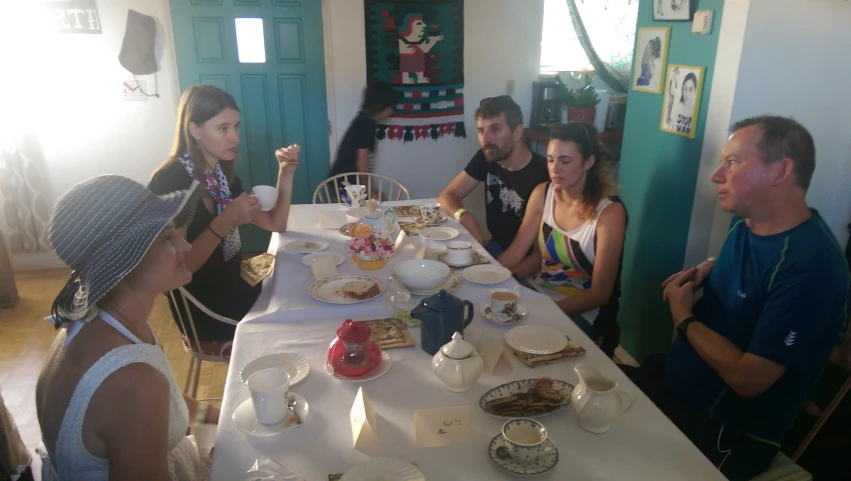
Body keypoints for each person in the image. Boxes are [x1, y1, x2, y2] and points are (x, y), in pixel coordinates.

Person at [621, 116, 849, 480]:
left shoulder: (813, 266)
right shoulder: (745, 224)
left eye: (732, 162)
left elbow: (749, 380)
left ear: (781, 171)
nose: (716, 175)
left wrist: (683, 315)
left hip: (724, 432)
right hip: (672, 385)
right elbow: (751, 283)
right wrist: (710, 267)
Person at [36, 175, 211, 480]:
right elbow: (141, 399)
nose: (185, 246)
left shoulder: (97, 324)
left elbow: (171, 405)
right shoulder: (133, 380)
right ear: (125, 260)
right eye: (166, 237)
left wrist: (224, 417)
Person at [149, 85, 299, 356]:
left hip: (233, 283)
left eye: (236, 127)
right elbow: (174, 270)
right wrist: (223, 223)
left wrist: (285, 174)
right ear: (194, 130)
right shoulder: (171, 182)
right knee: (296, 318)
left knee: (300, 282)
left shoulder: (218, 176)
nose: (235, 137)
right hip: (206, 308)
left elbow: (275, 225)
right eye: (223, 128)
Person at [496, 123, 627, 357]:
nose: (555, 169)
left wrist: (546, 312)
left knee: (524, 350)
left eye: (565, 161)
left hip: (580, 309)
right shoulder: (543, 193)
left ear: (588, 162)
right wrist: (495, 277)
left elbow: (600, 293)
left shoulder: (609, 213)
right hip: (537, 292)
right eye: (550, 160)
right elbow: (524, 253)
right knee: (493, 329)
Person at [438, 95, 550, 258]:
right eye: (481, 131)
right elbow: (446, 197)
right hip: (496, 246)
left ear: (517, 132)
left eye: (495, 129)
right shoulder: (488, 155)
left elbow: (538, 251)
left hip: (530, 260)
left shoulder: (543, 174)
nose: (486, 139)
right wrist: (463, 215)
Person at [328, 81, 397, 187]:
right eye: (390, 107)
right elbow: (362, 163)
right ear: (380, 105)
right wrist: (367, 190)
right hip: (345, 183)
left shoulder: (365, 120)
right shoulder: (365, 123)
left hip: (345, 181)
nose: (392, 111)